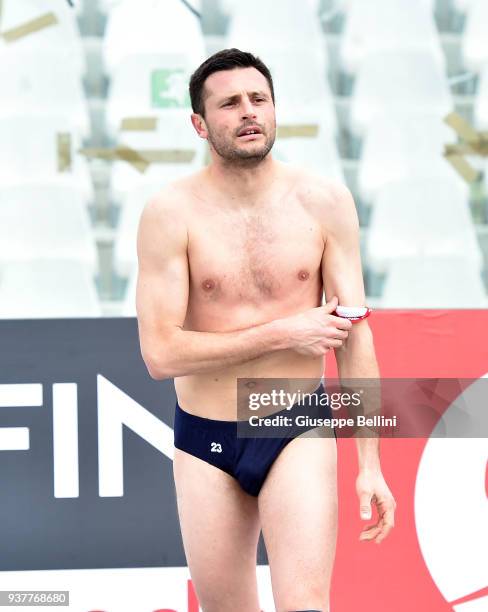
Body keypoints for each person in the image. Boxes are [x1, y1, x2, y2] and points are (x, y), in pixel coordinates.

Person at [135, 48, 396, 612]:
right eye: (229, 103)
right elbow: (160, 354)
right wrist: (284, 333)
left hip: (295, 423)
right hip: (206, 434)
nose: (248, 111)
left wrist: (371, 464)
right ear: (200, 124)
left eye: (259, 99)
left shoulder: (324, 201)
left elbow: (355, 334)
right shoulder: (170, 212)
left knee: (306, 606)